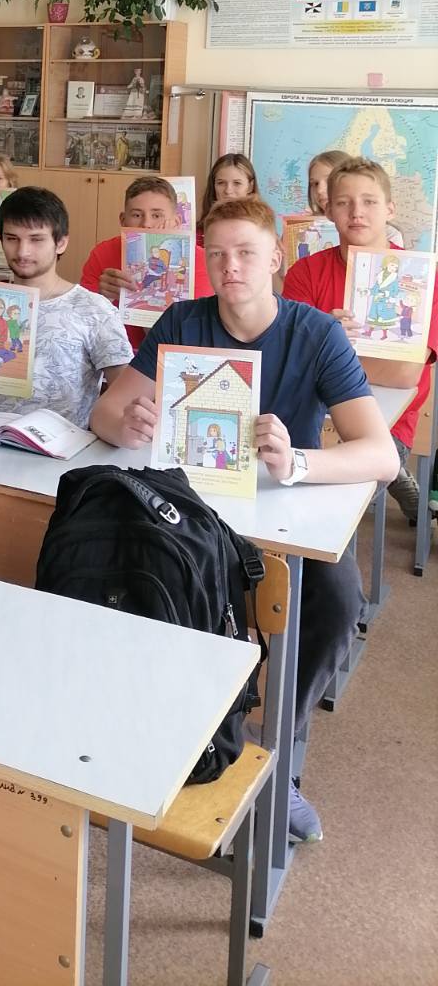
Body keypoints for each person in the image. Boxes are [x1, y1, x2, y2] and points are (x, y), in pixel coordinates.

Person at [90, 194, 397, 843]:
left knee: (338, 600)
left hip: (285, 513)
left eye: (247, 253)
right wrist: (127, 423)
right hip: (192, 509)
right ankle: (172, 737)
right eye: (218, 255)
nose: (231, 267)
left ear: (275, 259)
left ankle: (275, 752)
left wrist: (298, 462)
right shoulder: (183, 320)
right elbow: (107, 414)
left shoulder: (315, 333)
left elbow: (382, 455)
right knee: (144, 578)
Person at [282, 156, 438, 523]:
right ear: (328, 210)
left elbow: (404, 374)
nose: (356, 212)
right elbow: (290, 360)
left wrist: (326, 348)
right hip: (310, 416)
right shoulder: (305, 272)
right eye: (343, 202)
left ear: (390, 209)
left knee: (331, 507)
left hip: (386, 427)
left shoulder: (422, 277)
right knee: (285, 489)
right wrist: (325, 348)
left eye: (369, 201)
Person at [0, 187, 131, 428]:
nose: (22, 251)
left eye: (36, 239)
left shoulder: (94, 309)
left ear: (61, 243)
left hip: (62, 445)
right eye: (12, 239)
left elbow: (126, 393)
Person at [79, 175, 213, 350]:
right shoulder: (102, 253)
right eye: (136, 215)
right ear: (123, 220)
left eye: (157, 215)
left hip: (174, 353)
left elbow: (201, 332)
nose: (146, 224)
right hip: (115, 353)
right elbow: (81, 321)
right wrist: (101, 298)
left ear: (177, 222)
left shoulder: (202, 260)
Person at [197, 152, 259, 241]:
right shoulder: (197, 235)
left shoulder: (262, 232)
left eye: (237, 183)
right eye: (221, 183)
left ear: (250, 187)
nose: (228, 191)